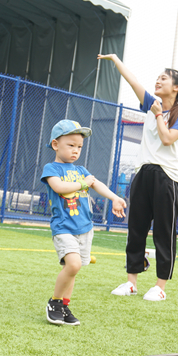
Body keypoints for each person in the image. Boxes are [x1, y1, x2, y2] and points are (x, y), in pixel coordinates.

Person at [98, 53, 178, 301]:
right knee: (135, 229)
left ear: (176, 87)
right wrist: (116, 60)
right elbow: (133, 82)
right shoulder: (152, 103)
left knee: (164, 232)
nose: (157, 81)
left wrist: (159, 114)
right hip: (143, 173)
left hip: (166, 178)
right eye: (158, 78)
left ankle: (160, 287)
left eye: (164, 78)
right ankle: (132, 282)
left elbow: (167, 138)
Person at [42, 119, 126, 325]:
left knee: (75, 269)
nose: (75, 150)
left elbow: (97, 184)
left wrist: (114, 198)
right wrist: (82, 183)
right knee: (73, 265)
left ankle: (64, 305)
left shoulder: (81, 170)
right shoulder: (51, 168)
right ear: (55, 144)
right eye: (70, 145)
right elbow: (59, 187)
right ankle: (54, 302)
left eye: (79, 146)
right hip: (64, 227)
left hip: (85, 228)